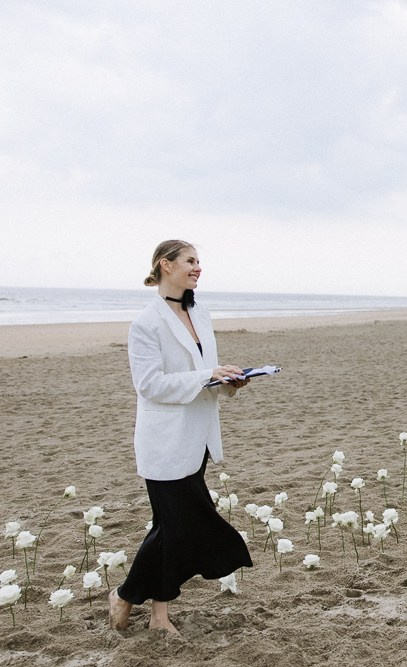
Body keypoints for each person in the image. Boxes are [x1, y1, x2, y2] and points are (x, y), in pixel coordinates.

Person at [108, 240, 253, 634]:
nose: (198, 267)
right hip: (165, 442)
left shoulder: (199, 313)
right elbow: (150, 384)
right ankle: (125, 594)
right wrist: (207, 376)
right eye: (190, 261)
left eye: (199, 261)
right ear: (166, 265)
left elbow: (205, 373)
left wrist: (228, 382)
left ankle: (156, 615)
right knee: (177, 528)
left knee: (167, 530)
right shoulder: (145, 323)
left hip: (199, 436)